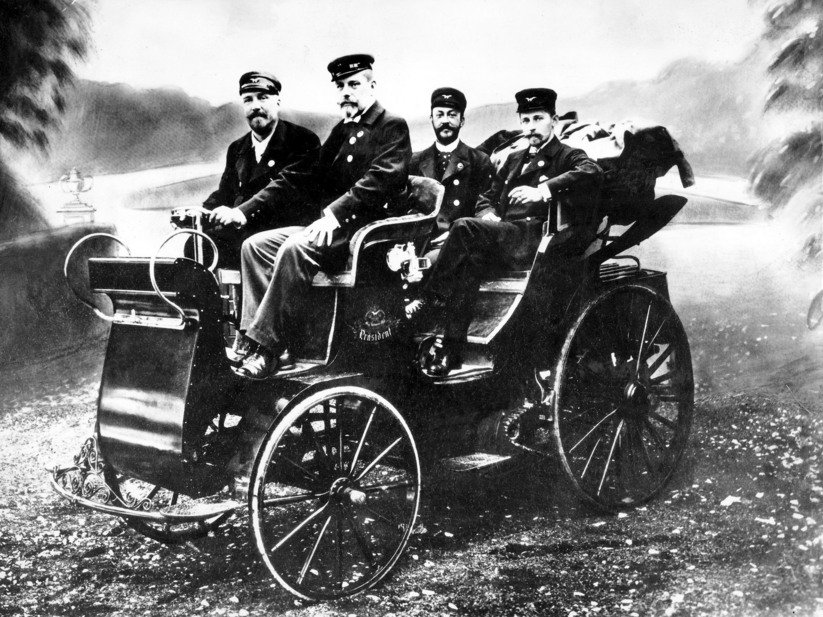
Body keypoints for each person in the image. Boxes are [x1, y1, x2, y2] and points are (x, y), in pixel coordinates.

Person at [234, 54, 412, 378]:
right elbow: (307, 174)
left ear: (372, 86)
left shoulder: (391, 126)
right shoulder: (342, 130)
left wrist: (335, 213)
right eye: (341, 86)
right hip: (335, 229)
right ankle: (259, 341)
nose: (346, 92)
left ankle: (267, 348)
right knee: (255, 246)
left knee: (296, 247)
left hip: (365, 233)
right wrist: (247, 211)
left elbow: (382, 178)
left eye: (354, 84)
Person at [415, 87, 603, 377]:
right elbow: (485, 197)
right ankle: (452, 347)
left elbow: (591, 171)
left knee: (462, 226)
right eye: (526, 120)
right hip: (507, 236)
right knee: (469, 263)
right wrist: (487, 214)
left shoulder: (567, 155)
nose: (531, 127)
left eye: (538, 119)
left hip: (534, 238)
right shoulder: (514, 159)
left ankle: (430, 296)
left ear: (553, 120)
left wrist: (543, 190)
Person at [191, 71, 320, 267]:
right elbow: (225, 193)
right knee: (195, 245)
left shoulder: (302, 140)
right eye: (248, 100)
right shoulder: (237, 148)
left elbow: (284, 186)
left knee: (242, 246)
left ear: (277, 101)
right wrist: (199, 212)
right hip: (244, 231)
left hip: (282, 233)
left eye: (263, 98)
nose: (256, 106)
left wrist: (241, 212)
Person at [409, 87, 494, 261]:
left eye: (452, 115)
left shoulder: (479, 160)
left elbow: (483, 205)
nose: (445, 121)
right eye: (440, 115)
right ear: (431, 119)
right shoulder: (415, 160)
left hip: (459, 243)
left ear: (462, 121)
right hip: (420, 241)